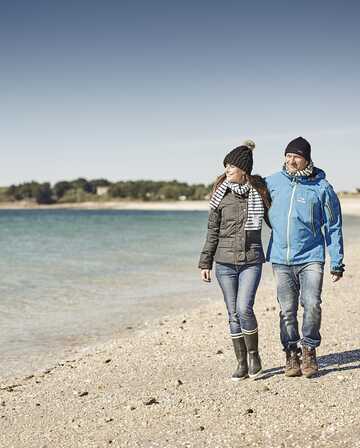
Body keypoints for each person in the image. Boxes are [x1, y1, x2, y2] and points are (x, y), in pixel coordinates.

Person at [266, 136, 345, 378]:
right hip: (280, 257)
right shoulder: (271, 182)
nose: (290, 160)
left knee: (311, 304)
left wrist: (337, 260)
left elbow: (333, 226)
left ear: (306, 159)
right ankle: (291, 353)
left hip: (311, 256)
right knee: (287, 310)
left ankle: (309, 349)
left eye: (296, 156)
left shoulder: (322, 188)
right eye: (288, 155)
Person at [198, 140, 271, 381]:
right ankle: (241, 363)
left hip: (251, 260)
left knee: (244, 308)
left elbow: (275, 223)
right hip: (224, 263)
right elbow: (212, 231)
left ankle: (254, 357)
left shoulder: (259, 193)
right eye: (226, 166)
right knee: (232, 314)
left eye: (231, 166)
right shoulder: (220, 195)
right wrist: (205, 263)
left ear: (243, 170)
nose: (227, 170)